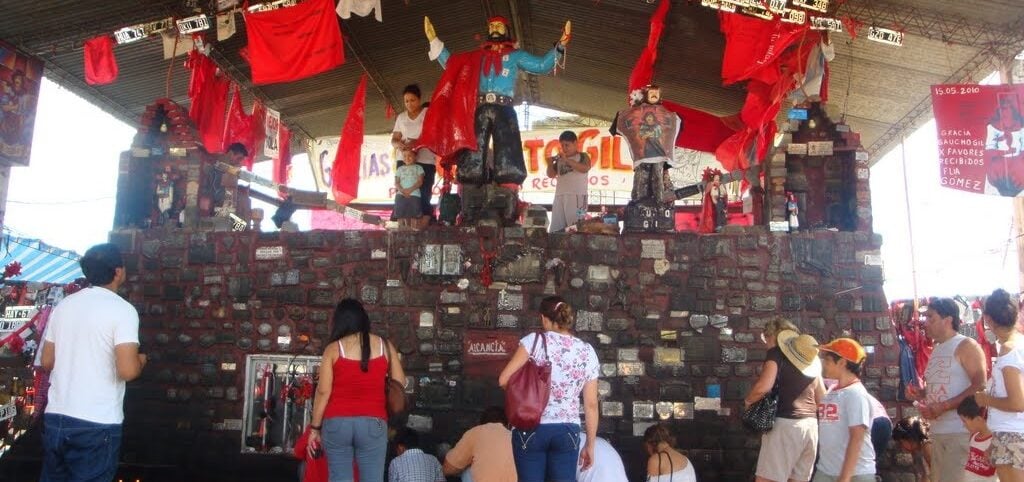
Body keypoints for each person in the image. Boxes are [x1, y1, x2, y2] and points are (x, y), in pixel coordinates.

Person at [39, 243, 147, 481]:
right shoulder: (123, 310)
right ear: (118, 272)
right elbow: (128, 371)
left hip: (56, 417)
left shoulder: (64, 306)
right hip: (96, 423)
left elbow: (47, 361)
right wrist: (141, 360)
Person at [498, 296, 600, 482]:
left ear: (544, 318)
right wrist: (590, 445)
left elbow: (504, 380)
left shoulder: (534, 342)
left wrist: (524, 395)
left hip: (531, 425)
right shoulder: (587, 351)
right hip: (568, 429)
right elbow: (591, 404)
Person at [307, 298, 406, 482]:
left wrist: (315, 428)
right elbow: (400, 382)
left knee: (339, 477)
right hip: (374, 422)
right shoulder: (385, 346)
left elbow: (323, 392)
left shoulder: (333, 349)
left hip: (337, 422)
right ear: (364, 319)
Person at [907, 298, 988, 482]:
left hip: (960, 431)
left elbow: (980, 385)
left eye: (931, 317)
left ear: (948, 320)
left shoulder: (966, 345)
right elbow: (946, 384)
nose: (925, 322)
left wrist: (944, 406)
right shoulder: (937, 348)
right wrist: (921, 393)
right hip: (938, 432)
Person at [743, 319, 824, 482]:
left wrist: (748, 402)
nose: (766, 343)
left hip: (785, 424)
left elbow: (763, 387)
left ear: (772, 336)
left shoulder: (776, 353)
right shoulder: (811, 359)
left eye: (766, 338)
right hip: (810, 426)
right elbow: (822, 397)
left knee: (767, 479)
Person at [974, 288, 1024, 481]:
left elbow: (1017, 403)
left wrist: (985, 399)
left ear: (988, 319)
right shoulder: (1018, 344)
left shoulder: (1009, 350)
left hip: (1012, 433)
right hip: (1011, 433)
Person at [816, 338, 876, 482]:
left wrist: (844, 478)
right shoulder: (832, 391)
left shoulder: (856, 394)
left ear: (842, 362)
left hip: (855, 474)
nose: (824, 364)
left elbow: (857, 438)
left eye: (828, 360)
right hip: (826, 470)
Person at [392, 84, 436, 227]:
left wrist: (417, 142)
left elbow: (434, 134)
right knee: (402, 190)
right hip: (404, 159)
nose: (409, 104)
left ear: (419, 99)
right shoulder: (401, 117)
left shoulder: (428, 113)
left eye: (412, 100)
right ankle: (402, 221)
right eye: (406, 101)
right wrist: (400, 145)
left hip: (425, 158)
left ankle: (424, 220)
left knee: (424, 190)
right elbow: (394, 139)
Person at [442, 406, 516, 482]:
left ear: (480, 424)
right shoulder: (516, 437)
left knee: (467, 470)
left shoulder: (476, 432)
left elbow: (448, 469)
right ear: (508, 425)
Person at [546, 130, 592, 233]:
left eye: (567, 145)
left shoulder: (583, 156)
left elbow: (585, 168)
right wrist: (549, 164)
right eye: (562, 146)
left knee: (576, 227)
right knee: (556, 229)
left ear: (575, 143)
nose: (564, 148)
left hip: (578, 196)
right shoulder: (559, 159)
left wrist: (567, 160)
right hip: (560, 196)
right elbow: (551, 174)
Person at [957, 396, 997, 482]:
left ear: (978, 419)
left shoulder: (994, 442)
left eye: (964, 421)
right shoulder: (973, 437)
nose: (963, 425)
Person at [893, 417, 933, 482]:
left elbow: (937, 472)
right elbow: (925, 474)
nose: (901, 446)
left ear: (911, 439)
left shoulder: (927, 447)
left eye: (901, 442)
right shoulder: (917, 450)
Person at [393, 153, 425, 230]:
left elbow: (420, 182)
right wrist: (402, 191)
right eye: (405, 156)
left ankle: (413, 232)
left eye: (410, 155)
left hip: (414, 194)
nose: (407, 158)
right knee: (400, 214)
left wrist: (410, 190)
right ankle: (401, 231)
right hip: (400, 194)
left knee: (415, 215)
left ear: (415, 156)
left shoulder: (419, 168)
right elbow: (396, 182)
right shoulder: (399, 169)